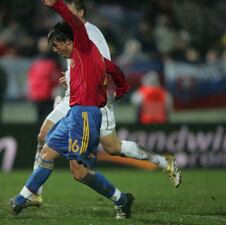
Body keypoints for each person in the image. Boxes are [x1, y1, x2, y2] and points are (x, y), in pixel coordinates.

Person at [28, 0, 181, 207]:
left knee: (113, 147)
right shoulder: (69, 35)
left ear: (80, 12)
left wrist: (116, 87)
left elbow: (102, 66)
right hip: (73, 98)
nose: (67, 17)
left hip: (93, 100)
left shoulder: (89, 33)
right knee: (43, 135)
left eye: (71, 11)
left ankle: (164, 162)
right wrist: (71, 76)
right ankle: (34, 194)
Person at [11, 0, 134, 219]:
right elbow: (113, 68)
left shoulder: (84, 48)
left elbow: (75, 22)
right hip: (74, 114)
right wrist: (122, 87)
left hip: (87, 115)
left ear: (67, 41)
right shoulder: (82, 58)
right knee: (47, 153)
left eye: (56, 45)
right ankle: (22, 198)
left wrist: (56, 4)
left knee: (78, 172)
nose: (55, 50)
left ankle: (122, 200)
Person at [27, 36, 63, 123]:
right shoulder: (37, 61)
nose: (43, 47)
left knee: (49, 120)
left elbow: (58, 79)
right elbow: (31, 78)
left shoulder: (54, 61)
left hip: (49, 97)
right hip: (39, 96)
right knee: (41, 120)